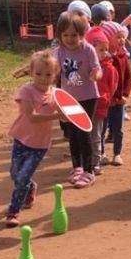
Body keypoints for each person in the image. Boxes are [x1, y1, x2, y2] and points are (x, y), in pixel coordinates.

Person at [5, 50, 64, 227]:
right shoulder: (26, 91)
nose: (43, 78)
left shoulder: (57, 94)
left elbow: (68, 110)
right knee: (15, 174)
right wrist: (57, 117)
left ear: (55, 75)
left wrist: (68, 114)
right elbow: (31, 116)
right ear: (31, 73)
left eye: (48, 74)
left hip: (40, 144)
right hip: (21, 139)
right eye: (38, 73)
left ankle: (13, 211)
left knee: (22, 177)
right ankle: (30, 188)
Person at [54, 11, 101, 187]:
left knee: (84, 133)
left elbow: (98, 69)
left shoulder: (88, 50)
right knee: (72, 135)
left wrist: (96, 74)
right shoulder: (59, 51)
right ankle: (77, 167)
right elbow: (55, 72)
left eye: (74, 35)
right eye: (65, 35)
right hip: (68, 99)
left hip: (88, 97)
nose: (70, 39)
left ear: (81, 34)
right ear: (60, 35)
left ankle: (89, 171)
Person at [84, 26, 117, 174]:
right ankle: (84, 162)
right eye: (101, 49)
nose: (105, 53)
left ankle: (95, 163)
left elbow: (113, 86)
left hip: (99, 106)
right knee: (84, 136)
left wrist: (105, 98)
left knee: (96, 136)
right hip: (84, 105)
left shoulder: (109, 68)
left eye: (106, 49)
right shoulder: (84, 66)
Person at [99, 21, 131, 166]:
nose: (122, 39)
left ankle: (117, 154)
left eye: (122, 37)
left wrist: (124, 95)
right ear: (107, 38)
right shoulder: (100, 58)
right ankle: (101, 153)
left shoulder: (123, 56)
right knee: (101, 128)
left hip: (119, 101)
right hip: (105, 102)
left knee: (118, 129)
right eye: (118, 37)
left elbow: (128, 78)